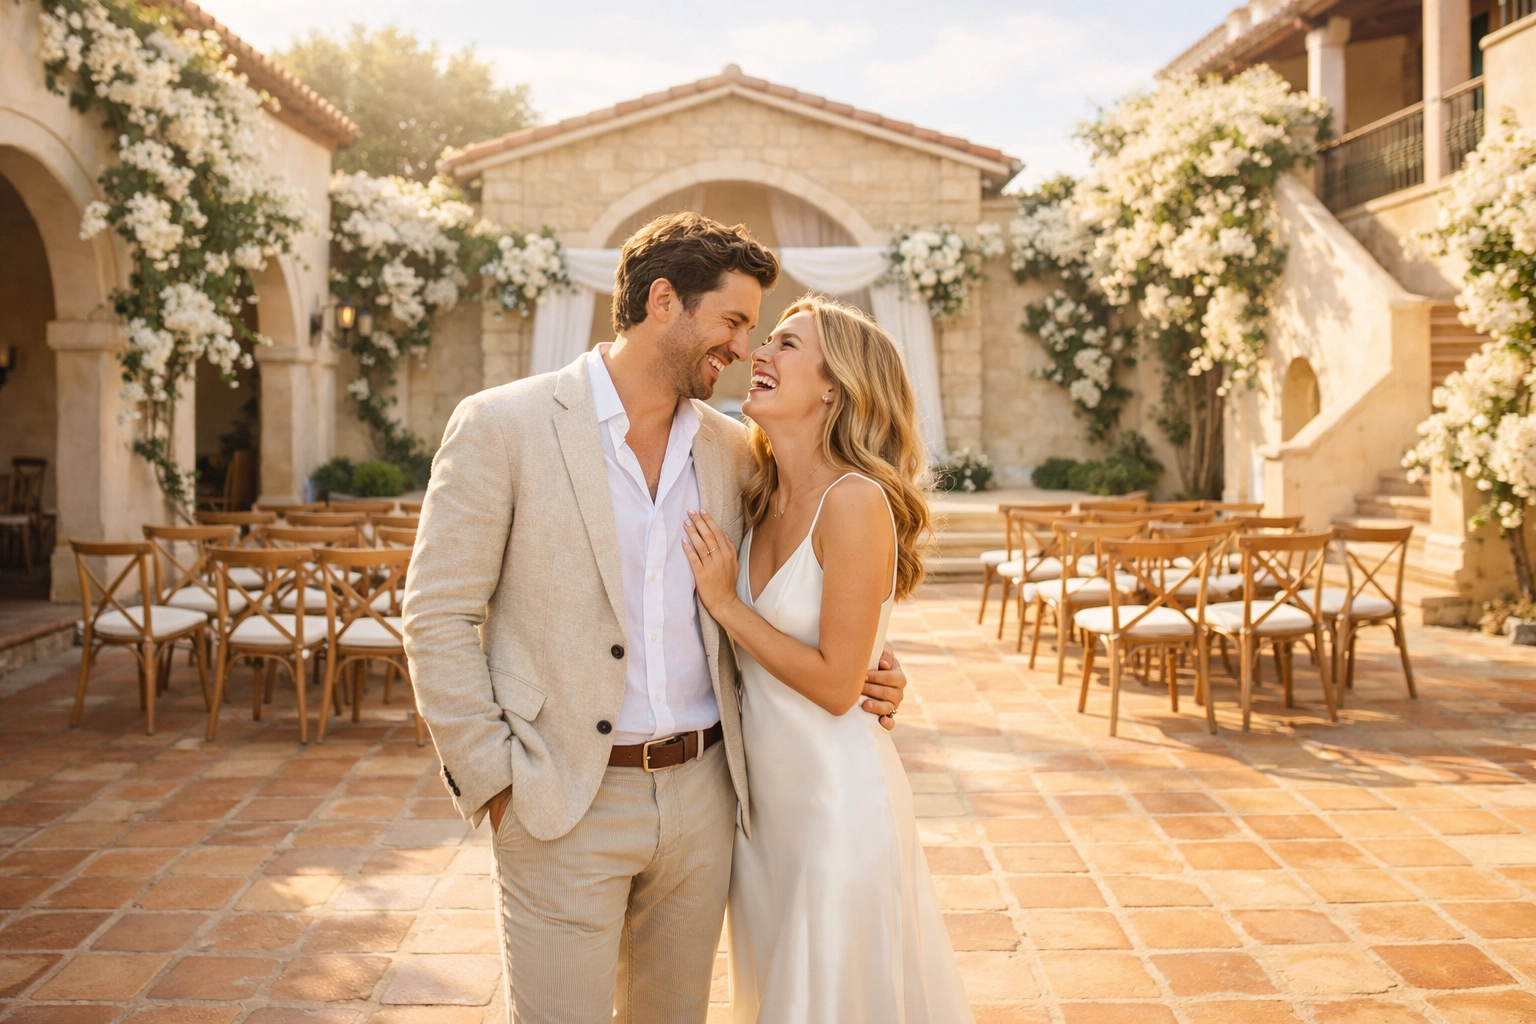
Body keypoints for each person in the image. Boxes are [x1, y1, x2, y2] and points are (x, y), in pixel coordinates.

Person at [402, 213, 907, 1024]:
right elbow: (438, 614)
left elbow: (806, 571)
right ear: (663, 301)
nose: (743, 347)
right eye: (733, 321)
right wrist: (494, 782)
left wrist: (874, 661)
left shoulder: (735, 450)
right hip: (561, 800)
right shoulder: (503, 425)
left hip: (707, 799)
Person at [683, 296, 973, 1023]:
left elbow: (840, 686)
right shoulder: (757, 492)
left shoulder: (853, 500)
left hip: (835, 805)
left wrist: (727, 604)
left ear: (834, 388)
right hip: (764, 810)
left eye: (786, 344)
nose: (760, 352)